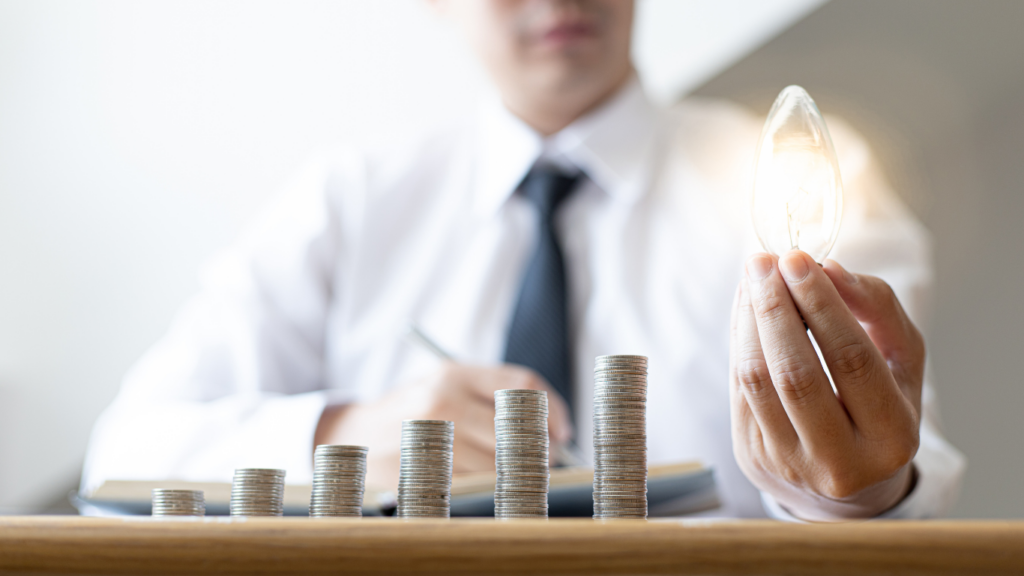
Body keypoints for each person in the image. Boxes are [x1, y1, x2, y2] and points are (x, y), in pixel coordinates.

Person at [82, 0, 964, 520]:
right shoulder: (347, 203)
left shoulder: (805, 180)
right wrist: (347, 430)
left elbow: (905, 480)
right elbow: (122, 454)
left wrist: (858, 488)